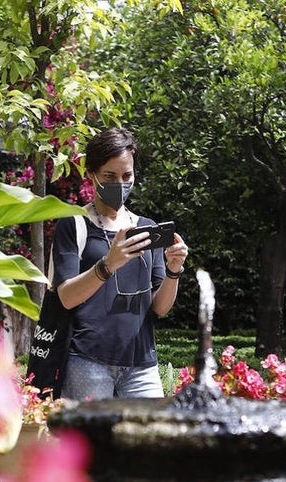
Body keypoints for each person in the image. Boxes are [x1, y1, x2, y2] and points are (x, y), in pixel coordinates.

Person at [52, 127, 189, 400]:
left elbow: (159, 307)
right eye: (109, 176)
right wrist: (108, 264)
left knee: (148, 439)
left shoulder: (146, 228)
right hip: (87, 362)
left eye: (127, 176)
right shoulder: (74, 224)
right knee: (93, 443)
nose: (120, 184)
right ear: (91, 174)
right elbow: (66, 297)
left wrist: (174, 268)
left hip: (142, 365)